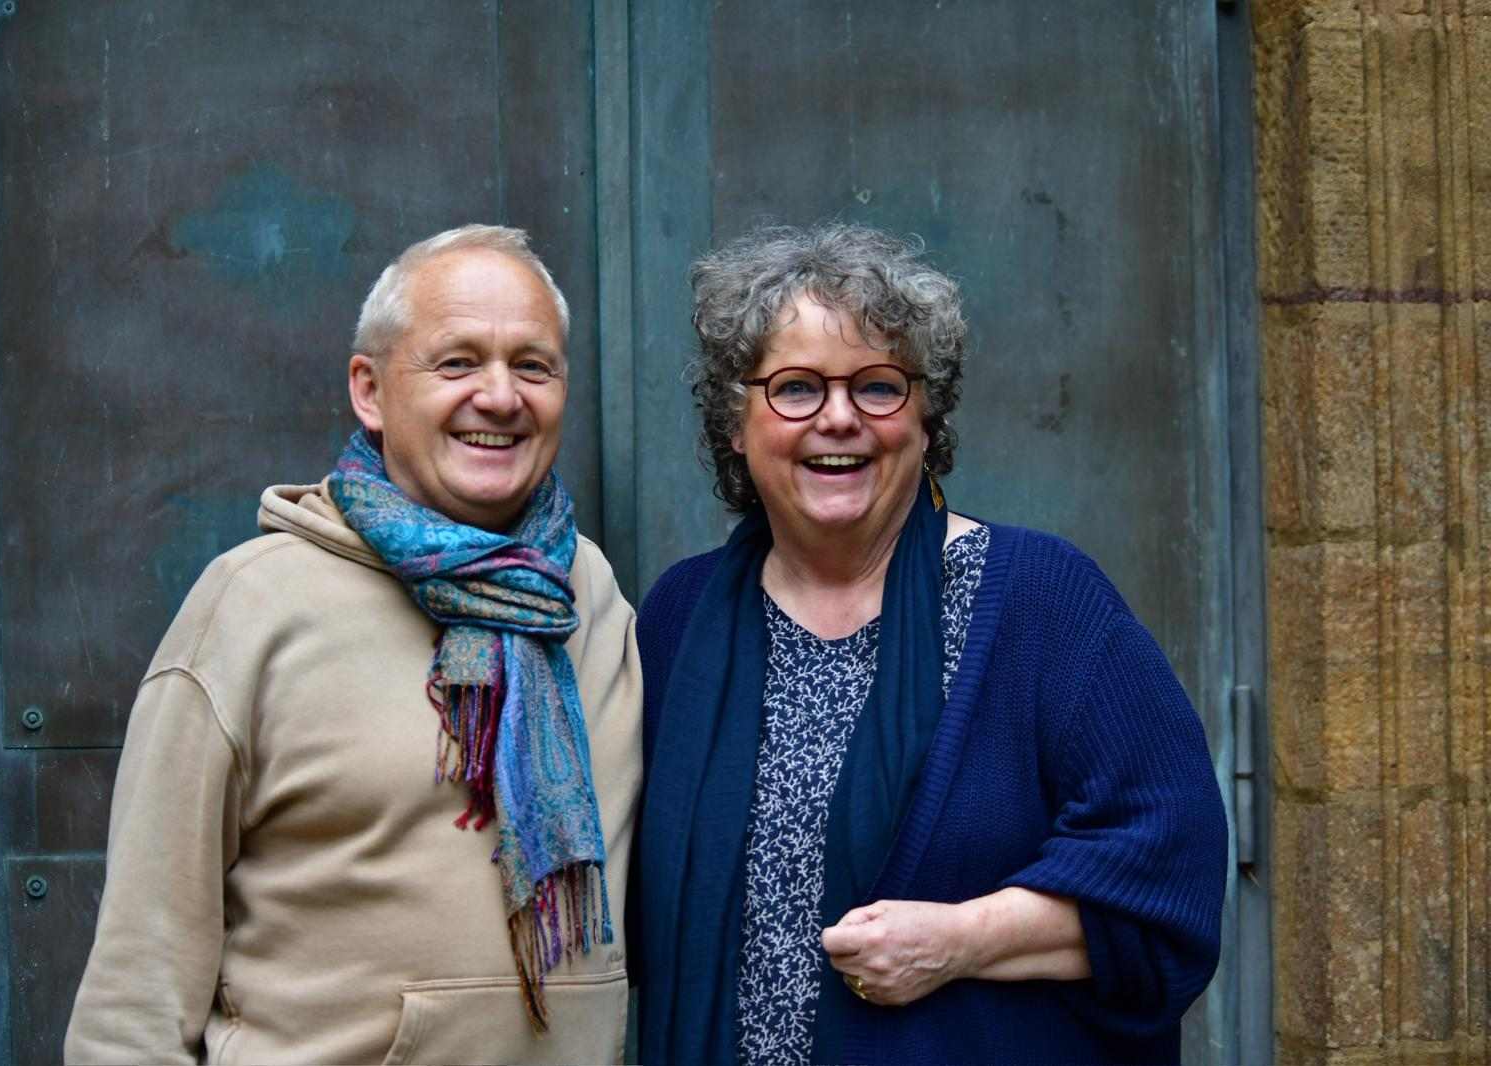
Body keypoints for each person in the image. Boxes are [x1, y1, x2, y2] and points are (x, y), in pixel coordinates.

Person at [631, 223, 1227, 1065]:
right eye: (795, 388)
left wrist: (961, 941)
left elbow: (1169, 881)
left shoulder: (1041, 602)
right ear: (737, 422)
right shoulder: (681, 617)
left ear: (924, 415)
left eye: (878, 386)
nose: (839, 418)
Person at [65, 225, 641, 1065]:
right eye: (457, 363)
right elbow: (136, 990)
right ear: (369, 391)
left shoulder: (588, 594)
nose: (500, 396)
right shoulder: (251, 606)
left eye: (532, 366)